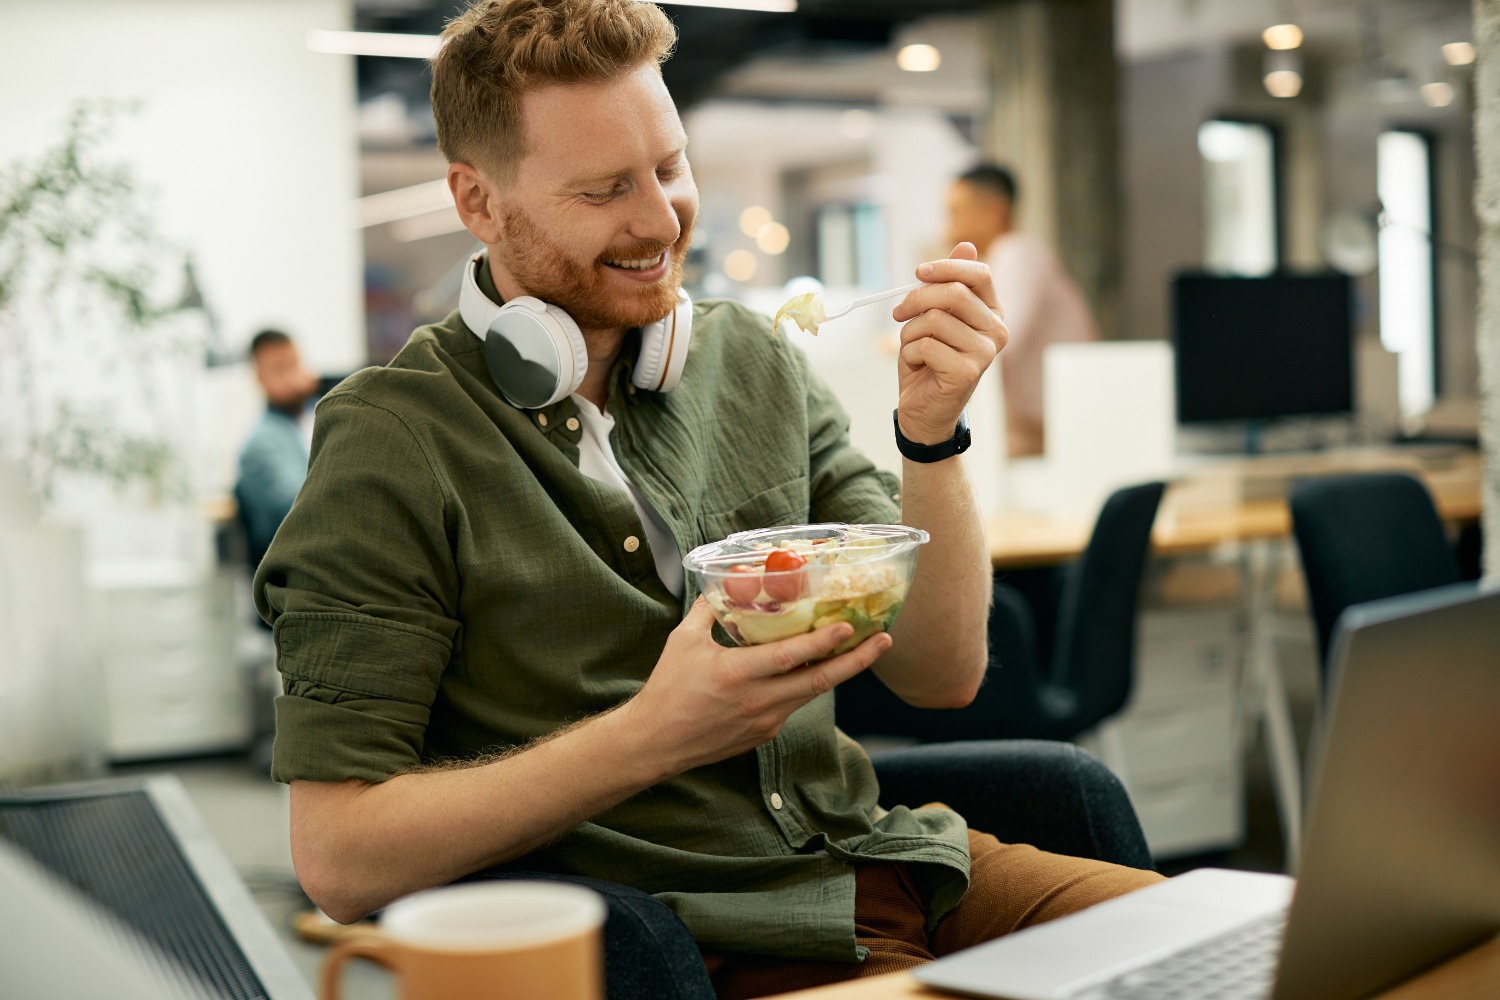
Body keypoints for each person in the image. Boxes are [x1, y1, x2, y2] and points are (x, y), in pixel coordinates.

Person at [254, 2, 1163, 996]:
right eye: (603, 190)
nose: (660, 219)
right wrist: (655, 733)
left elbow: (941, 672)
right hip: (704, 940)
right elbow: (338, 859)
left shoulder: (753, 361)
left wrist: (932, 434)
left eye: (669, 166)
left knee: (1244, 953)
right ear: (477, 201)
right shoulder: (396, 440)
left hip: (900, 862)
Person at [945, 163, 1099, 458]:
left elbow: (997, 337)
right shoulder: (1010, 257)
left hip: (1051, 432)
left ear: (995, 213)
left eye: (955, 213)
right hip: (1047, 428)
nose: (947, 229)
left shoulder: (1016, 252)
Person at [236, 329, 319, 565]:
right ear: (259, 376)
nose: (293, 377)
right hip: (296, 584)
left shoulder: (308, 422)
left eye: (295, 364)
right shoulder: (260, 448)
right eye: (280, 369)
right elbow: (306, 513)